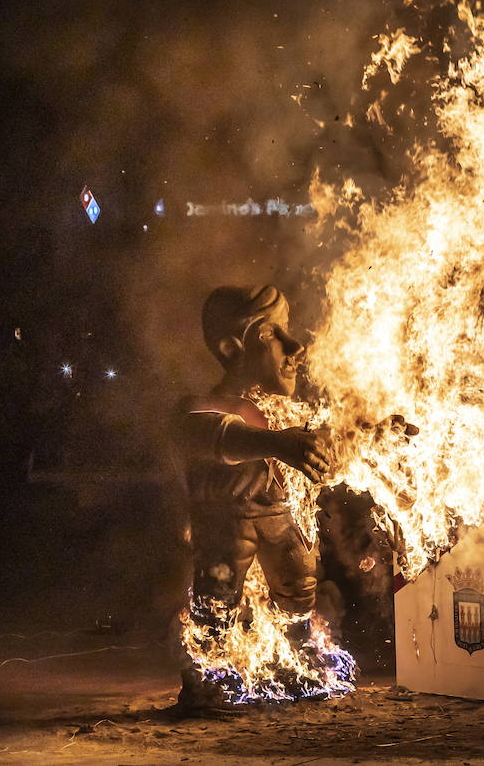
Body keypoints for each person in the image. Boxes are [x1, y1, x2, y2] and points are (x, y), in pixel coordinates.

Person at [174, 285, 331, 714]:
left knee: (299, 587)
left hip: (284, 519)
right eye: (273, 334)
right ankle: (208, 676)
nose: (294, 346)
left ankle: (298, 665)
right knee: (218, 596)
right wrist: (278, 444)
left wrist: (375, 435)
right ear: (231, 347)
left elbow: (325, 448)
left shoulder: (291, 413)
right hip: (227, 523)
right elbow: (217, 435)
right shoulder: (202, 406)